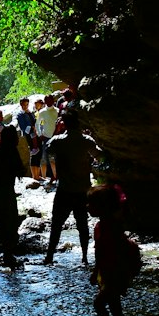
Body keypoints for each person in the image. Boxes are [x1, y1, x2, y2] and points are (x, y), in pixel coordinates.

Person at [88, 184, 141, 316]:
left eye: (92, 204)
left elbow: (120, 252)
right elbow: (99, 252)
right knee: (115, 309)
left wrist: (121, 277)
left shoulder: (113, 227)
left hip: (115, 274)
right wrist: (96, 272)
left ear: (103, 207)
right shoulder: (99, 226)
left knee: (99, 304)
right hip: (106, 273)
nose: (87, 206)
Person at [43, 113, 96, 265]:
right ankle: (85, 257)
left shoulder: (58, 141)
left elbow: (47, 150)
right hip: (82, 190)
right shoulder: (86, 141)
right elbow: (99, 155)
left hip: (64, 190)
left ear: (64, 124)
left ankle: (49, 256)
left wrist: (57, 131)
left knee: (57, 224)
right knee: (83, 225)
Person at [0, 124, 26, 269]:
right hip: (6, 192)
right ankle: (8, 255)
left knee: (3, 223)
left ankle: (7, 254)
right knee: (10, 222)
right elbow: (20, 170)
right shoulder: (11, 151)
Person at [36, 95, 59, 182]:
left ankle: (58, 176)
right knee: (48, 158)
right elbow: (37, 124)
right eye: (47, 100)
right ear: (45, 102)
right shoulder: (42, 112)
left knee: (58, 158)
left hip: (57, 137)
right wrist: (39, 134)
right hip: (46, 137)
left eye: (51, 100)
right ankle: (52, 177)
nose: (49, 102)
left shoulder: (57, 111)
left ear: (53, 101)